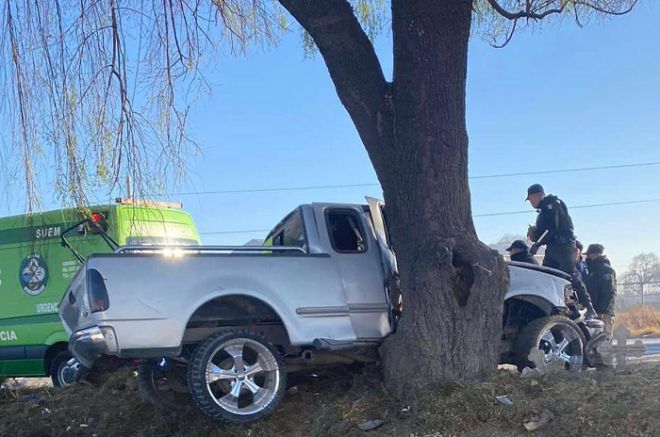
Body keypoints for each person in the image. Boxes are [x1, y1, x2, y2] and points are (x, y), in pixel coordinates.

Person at [525, 184, 597, 317]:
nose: (531, 203)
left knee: (570, 274)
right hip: (553, 247)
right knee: (547, 275)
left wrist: (537, 243)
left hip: (563, 246)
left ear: (537, 195)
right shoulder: (545, 208)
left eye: (530, 199)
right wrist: (536, 234)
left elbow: (552, 227)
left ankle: (589, 307)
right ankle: (561, 306)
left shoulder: (550, 204)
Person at [584, 244, 617, 339]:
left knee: (604, 339)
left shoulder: (606, 270)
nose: (587, 257)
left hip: (604, 313)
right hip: (593, 311)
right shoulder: (591, 271)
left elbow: (608, 293)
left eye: (589, 255)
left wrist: (601, 311)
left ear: (594, 255)